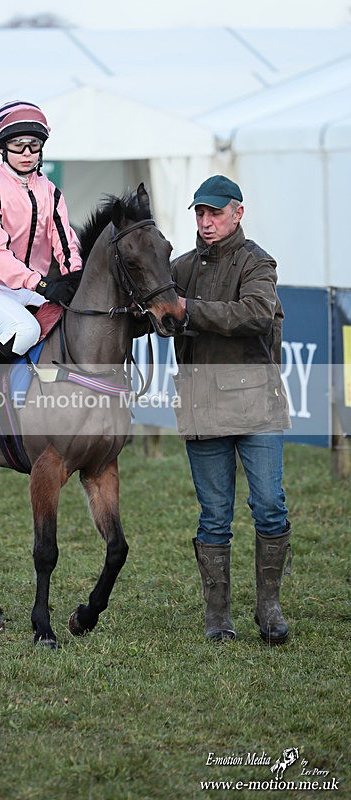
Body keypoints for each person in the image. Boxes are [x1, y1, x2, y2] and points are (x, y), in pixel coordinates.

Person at [171, 175, 291, 645]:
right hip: (201, 408)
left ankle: (269, 608)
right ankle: (217, 616)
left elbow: (256, 313)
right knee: (214, 515)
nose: (206, 222)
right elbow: (159, 313)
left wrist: (187, 309)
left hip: (257, 407)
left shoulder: (258, 263)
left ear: (237, 213)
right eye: (200, 214)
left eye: (214, 213)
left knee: (270, 508)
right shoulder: (179, 267)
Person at [0, 100, 82, 437]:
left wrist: (75, 278)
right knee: (25, 331)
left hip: (26, 289)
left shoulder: (51, 191)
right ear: (1, 148)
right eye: (17, 145)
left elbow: (65, 242)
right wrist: (42, 284)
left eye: (33, 146)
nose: (26, 153)